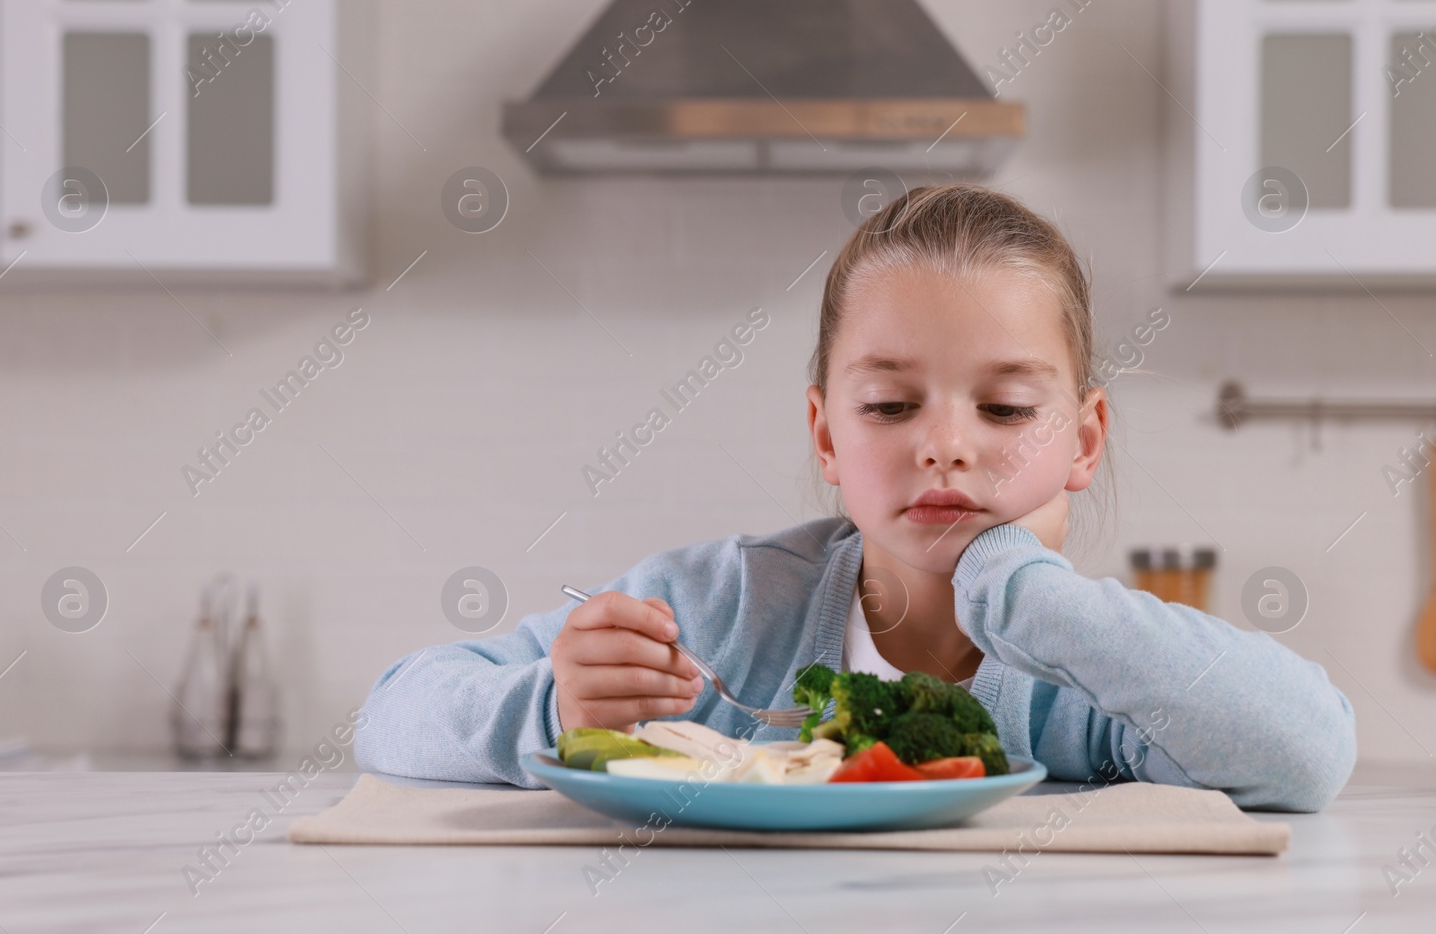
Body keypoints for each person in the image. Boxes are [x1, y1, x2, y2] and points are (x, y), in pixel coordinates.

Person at [354, 183, 1356, 812]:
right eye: (888, 403)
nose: (945, 446)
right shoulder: (718, 610)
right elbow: (392, 712)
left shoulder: (1091, 667)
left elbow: (1304, 754)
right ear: (827, 432)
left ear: (1084, 439)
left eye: (1005, 408)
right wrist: (551, 703)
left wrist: (1019, 587)